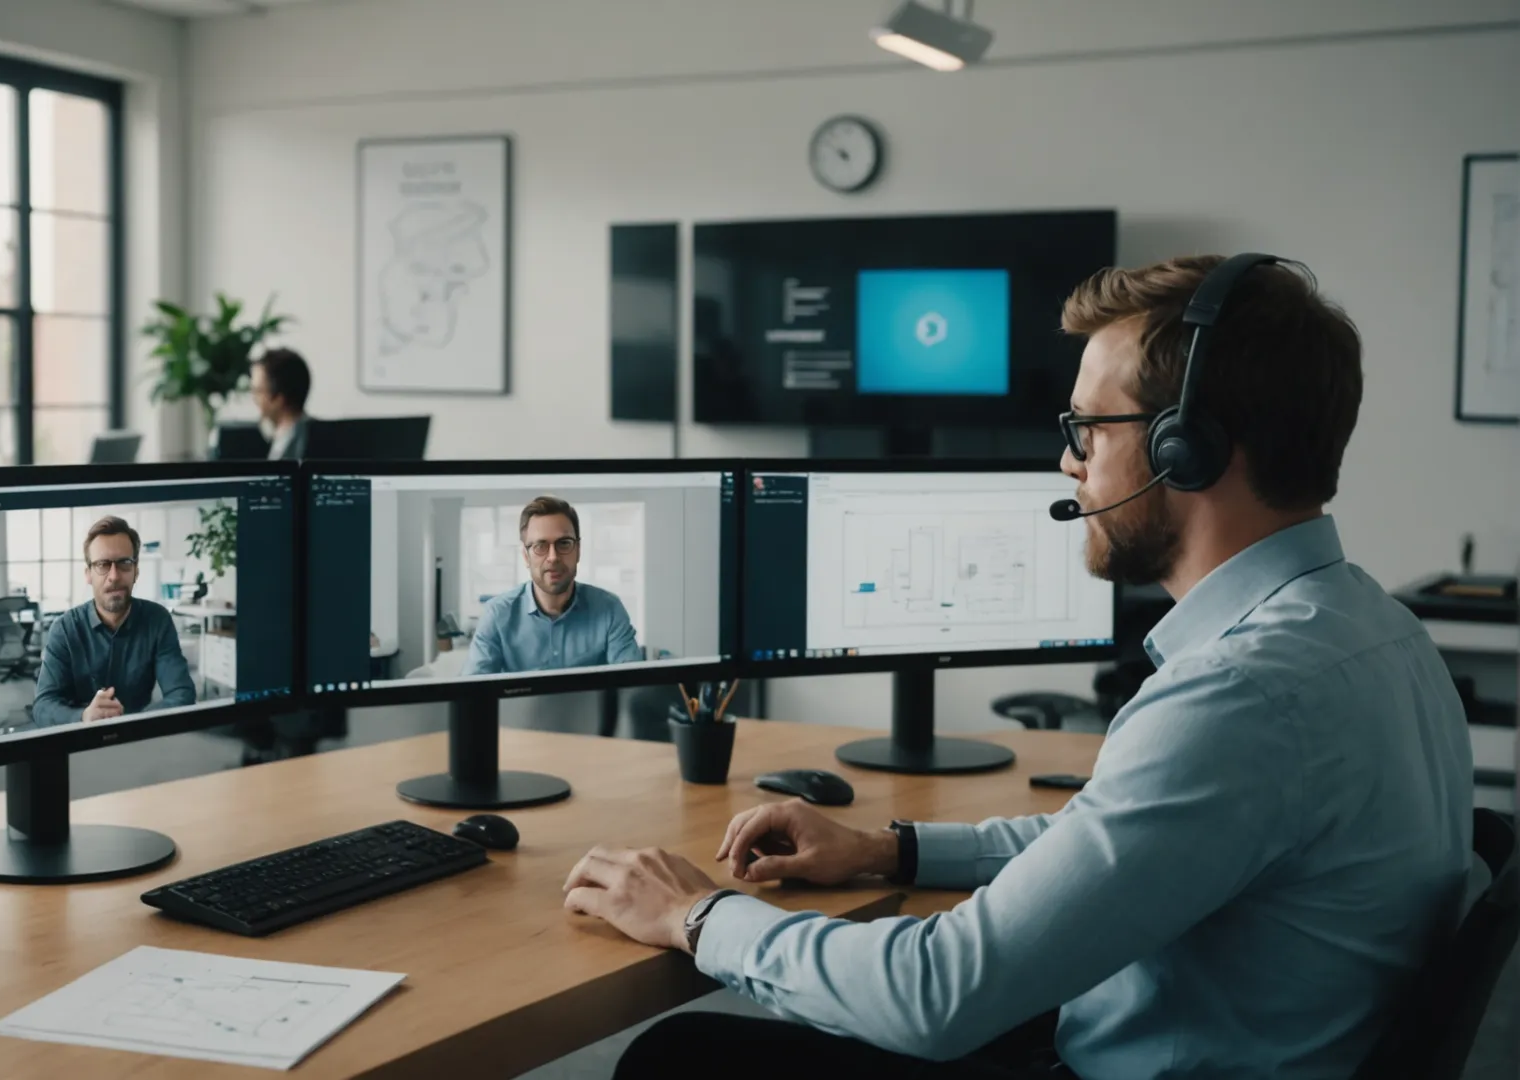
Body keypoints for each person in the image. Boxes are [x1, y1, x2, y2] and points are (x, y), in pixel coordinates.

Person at [563, 256, 1474, 1079]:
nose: (1068, 461)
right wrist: (889, 850)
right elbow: (1105, 845)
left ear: (1184, 450)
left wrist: (695, 916)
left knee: (683, 1058)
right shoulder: (1372, 627)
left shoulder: (1240, 697)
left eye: (1087, 428)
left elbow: (935, 996)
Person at [30, 516, 196, 729]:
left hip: (139, 737)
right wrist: (84, 717)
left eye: (124, 563)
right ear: (88, 574)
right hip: (77, 738)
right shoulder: (64, 628)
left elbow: (181, 693)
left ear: (136, 571)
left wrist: (132, 723)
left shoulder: (157, 620)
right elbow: (43, 705)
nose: (114, 576)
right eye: (102, 565)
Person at [463, 496, 643, 676]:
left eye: (564, 543)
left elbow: (634, 684)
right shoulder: (496, 615)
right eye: (540, 546)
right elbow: (471, 693)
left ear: (578, 550)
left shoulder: (609, 609)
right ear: (526, 556)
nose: (553, 557)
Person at [252, 348, 312, 461]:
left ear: (279, 399)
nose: (254, 399)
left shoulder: (298, 448)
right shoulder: (281, 438)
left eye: (258, 391)